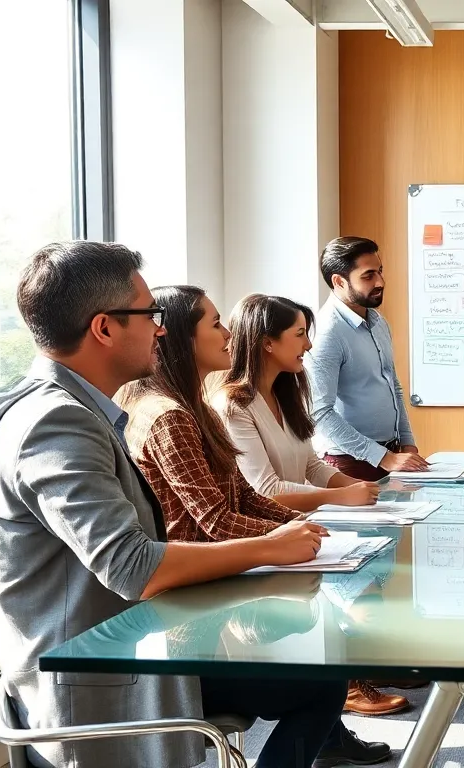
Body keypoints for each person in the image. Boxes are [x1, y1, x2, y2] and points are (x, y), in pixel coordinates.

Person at [0, 241, 344, 768]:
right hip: (98, 690)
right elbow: (134, 567)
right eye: (150, 315)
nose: (160, 330)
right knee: (317, 683)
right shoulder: (57, 423)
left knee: (316, 679)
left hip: (131, 654)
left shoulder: (70, 409)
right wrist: (270, 547)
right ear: (104, 328)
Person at [119, 285, 403, 759]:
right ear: (181, 338)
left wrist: (308, 531)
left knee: (320, 649)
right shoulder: (170, 417)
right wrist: (285, 537)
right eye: (215, 324)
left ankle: (331, 740)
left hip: (214, 594)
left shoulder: (194, 408)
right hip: (188, 624)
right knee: (323, 684)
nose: (228, 333)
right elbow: (215, 519)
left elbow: (246, 497)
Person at [212, 293, 382, 512]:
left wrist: (364, 488)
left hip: (298, 523)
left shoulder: (284, 395)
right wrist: (342, 496)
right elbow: (267, 490)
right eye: (300, 334)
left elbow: (312, 466)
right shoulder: (233, 406)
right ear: (267, 343)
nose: (308, 345)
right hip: (269, 529)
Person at [307, 236, 429, 480]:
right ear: (339, 281)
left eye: (380, 271)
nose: (380, 281)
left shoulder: (378, 322)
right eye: (368, 275)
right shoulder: (328, 333)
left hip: (390, 454)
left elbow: (393, 386)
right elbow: (319, 412)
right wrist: (382, 457)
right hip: (349, 462)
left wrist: (407, 443)